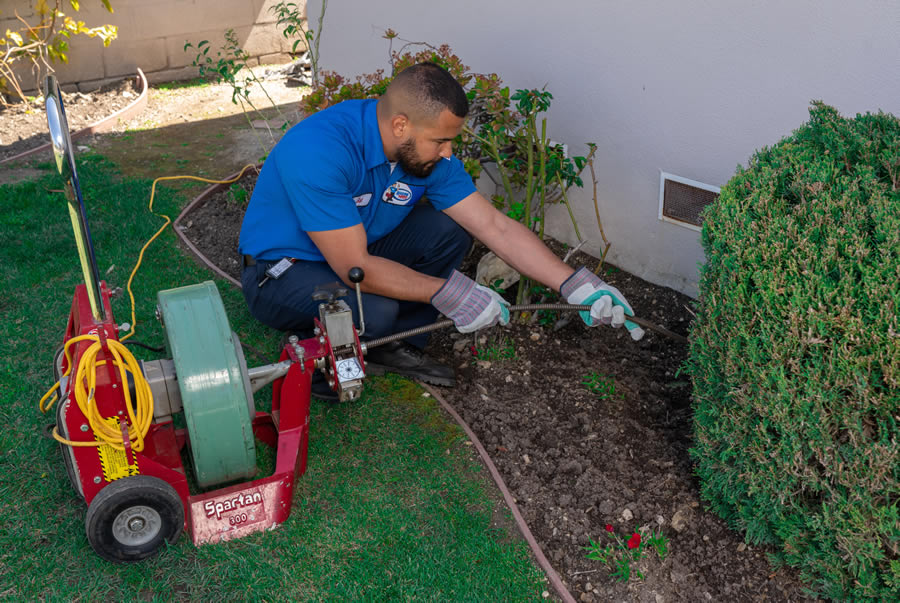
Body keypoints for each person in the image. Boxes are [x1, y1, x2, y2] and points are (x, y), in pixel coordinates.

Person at [239, 62, 643, 398]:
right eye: (441, 141)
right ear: (400, 125)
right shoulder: (321, 150)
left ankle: (392, 346)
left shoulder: (423, 153)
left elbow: (494, 225)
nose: (449, 152)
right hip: (282, 269)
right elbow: (353, 266)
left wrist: (575, 285)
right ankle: (320, 364)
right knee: (373, 311)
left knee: (446, 230)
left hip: (355, 247)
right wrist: (449, 292)